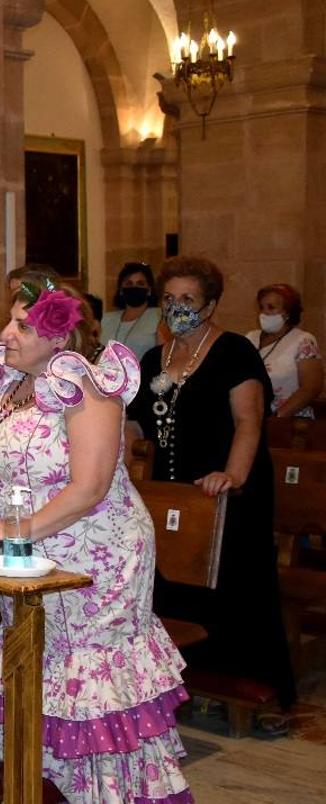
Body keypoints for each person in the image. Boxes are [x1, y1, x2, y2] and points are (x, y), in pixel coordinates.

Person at [0, 281, 191, 802]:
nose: (8, 333)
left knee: (83, 682)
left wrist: (15, 529)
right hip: (23, 553)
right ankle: (33, 785)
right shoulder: (1, 379)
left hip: (95, 556)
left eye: (23, 325)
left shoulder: (89, 387)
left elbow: (89, 488)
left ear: (59, 338)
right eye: (10, 321)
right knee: (30, 671)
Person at [128, 257, 296, 714]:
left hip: (226, 490)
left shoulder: (233, 352)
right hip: (174, 493)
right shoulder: (153, 359)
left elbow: (249, 421)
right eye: (169, 299)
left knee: (235, 591)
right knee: (176, 587)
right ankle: (186, 683)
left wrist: (233, 476)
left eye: (188, 300)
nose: (176, 308)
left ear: (211, 304)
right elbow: (139, 424)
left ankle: (252, 689)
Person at [247, 282, 322, 419]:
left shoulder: (303, 340)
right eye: (261, 307)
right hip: (250, 420)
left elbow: (311, 388)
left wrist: (277, 417)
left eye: (271, 307)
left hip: (287, 423)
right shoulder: (250, 338)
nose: (264, 313)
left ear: (287, 312)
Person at [100, 261, 161, 360]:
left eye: (140, 284)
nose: (134, 287)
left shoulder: (158, 316)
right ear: (121, 290)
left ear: (149, 290)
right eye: (129, 283)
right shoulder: (106, 319)